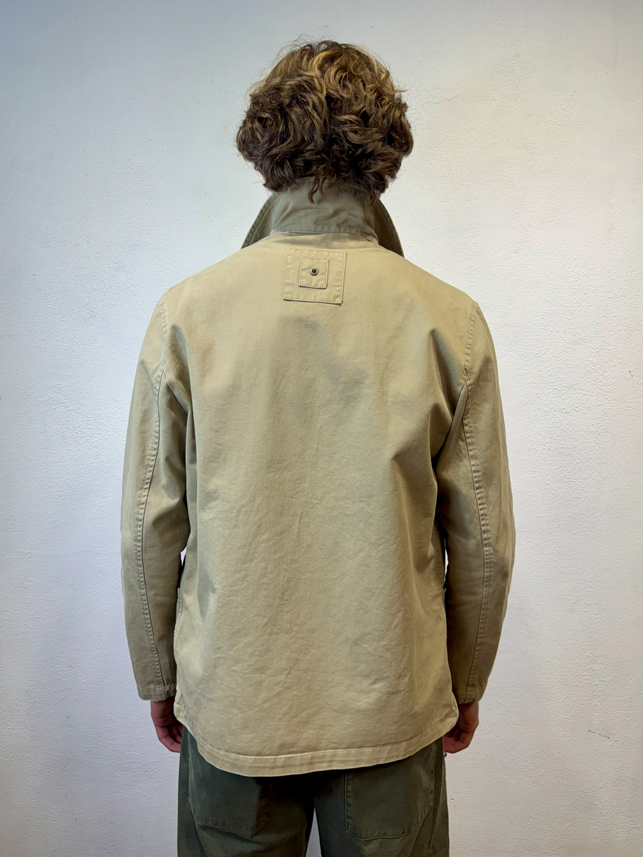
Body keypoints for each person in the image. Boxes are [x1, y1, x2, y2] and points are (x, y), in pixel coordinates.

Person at [120, 39, 516, 857]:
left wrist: (159, 672)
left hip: (235, 698)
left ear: (264, 145)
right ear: (384, 150)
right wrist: (463, 677)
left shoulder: (188, 313)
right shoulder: (447, 319)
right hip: (393, 698)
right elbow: (482, 538)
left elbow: (148, 525)